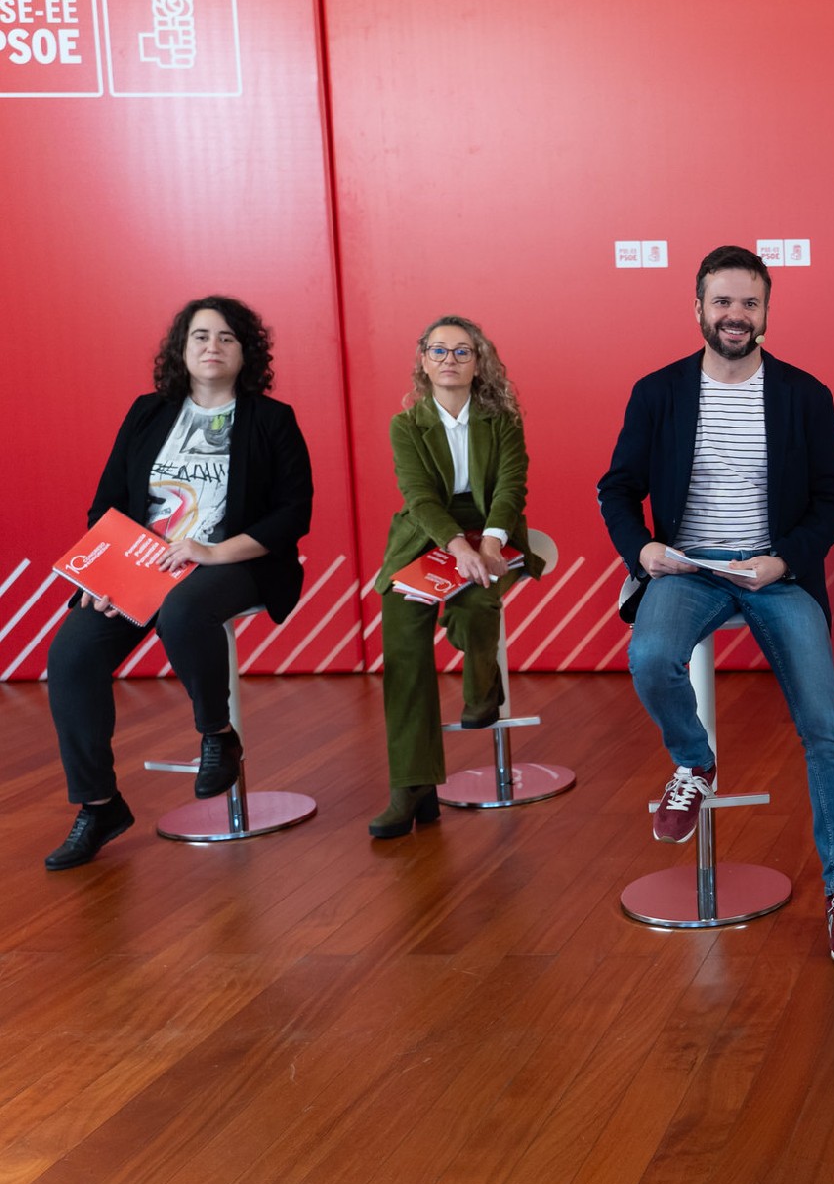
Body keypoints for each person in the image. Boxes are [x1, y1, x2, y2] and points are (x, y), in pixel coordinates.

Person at [598, 244, 834, 962]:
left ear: (765, 312)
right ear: (697, 309)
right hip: (686, 570)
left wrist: (782, 559)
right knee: (652, 656)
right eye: (722, 302)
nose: (734, 315)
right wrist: (644, 551)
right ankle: (694, 762)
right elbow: (617, 488)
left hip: (775, 573)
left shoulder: (804, 395)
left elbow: (832, 500)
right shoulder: (658, 391)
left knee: (825, 726)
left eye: (749, 303)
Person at [43, 296, 313, 870]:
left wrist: (213, 551)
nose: (211, 347)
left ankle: (217, 734)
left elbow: (293, 513)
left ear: (246, 352)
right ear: (181, 349)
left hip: (232, 561)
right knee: (70, 655)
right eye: (199, 337)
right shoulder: (147, 412)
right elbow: (108, 504)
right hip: (138, 563)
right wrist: (105, 571)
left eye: (225, 338)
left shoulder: (271, 419)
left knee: (184, 611)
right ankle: (99, 805)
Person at [370, 316, 543, 838]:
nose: (450, 360)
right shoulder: (407, 425)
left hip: (493, 528)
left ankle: (484, 688)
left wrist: (487, 543)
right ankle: (412, 786)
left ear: (479, 362)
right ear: (423, 360)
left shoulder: (502, 419)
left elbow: (512, 486)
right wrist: (456, 546)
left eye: (462, 352)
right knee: (403, 645)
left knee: (475, 604)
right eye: (439, 351)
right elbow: (418, 497)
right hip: (428, 533)